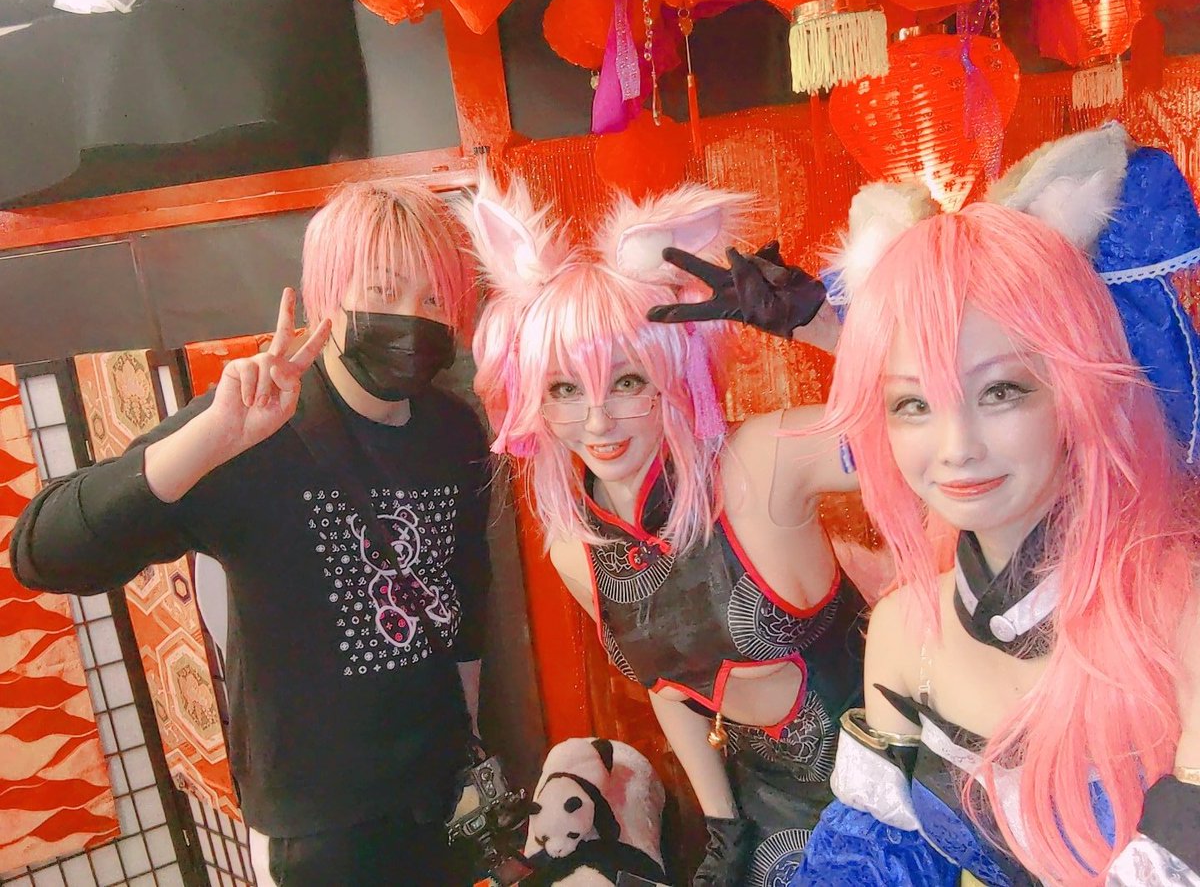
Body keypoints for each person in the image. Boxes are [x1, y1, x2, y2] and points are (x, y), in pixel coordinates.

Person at [11, 181, 494, 886]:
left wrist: (468, 738)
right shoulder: (257, 427)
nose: (410, 318)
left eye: (433, 298)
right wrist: (212, 438)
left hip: (440, 793)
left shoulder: (454, 431)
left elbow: (466, 594)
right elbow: (44, 553)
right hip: (316, 826)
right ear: (327, 293)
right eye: (383, 289)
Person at [792, 124, 1200, 885]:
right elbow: (873, 865)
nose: (956, 448)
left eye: (1001, 392)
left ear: (1077, 394)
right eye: (912, 404)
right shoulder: (904, 630)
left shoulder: (1183, 614)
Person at [465, 175, 869, 886]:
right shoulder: (577, 548)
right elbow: (671, 683)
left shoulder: (761, 462)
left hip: (895, 788)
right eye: (564, 389)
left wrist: (826, 330)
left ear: (672, 373)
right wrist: (722, 827)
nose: (597, 421)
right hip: (763, 813)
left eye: (626, 381)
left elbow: (924, 436)